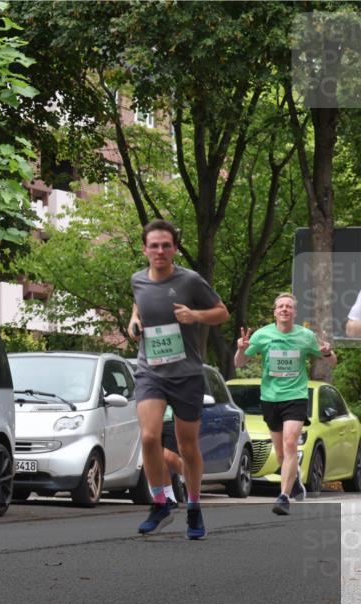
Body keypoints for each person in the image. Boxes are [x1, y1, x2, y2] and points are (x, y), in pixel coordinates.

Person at [128, 219, 229, 539]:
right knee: (148, 437)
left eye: (166, 245)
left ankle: (195, 507)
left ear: (174, 248)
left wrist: (195, 315)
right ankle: (161, 500)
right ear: (145, 249)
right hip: (150, 371)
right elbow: (139, 303)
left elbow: (222, 312)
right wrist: (134, 320)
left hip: (186, 374)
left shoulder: (191, 281)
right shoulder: (137, 280)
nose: (160, 251)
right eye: (154, 245)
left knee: (187, 446)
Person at [234, 293, 336, 515]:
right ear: (275, 312)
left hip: (296, 396)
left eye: (289, 306)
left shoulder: (306, 336)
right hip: (270, 398)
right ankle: (295, 479)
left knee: (291, 444)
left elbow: (331, 361)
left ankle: (283, 497)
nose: (284, 309)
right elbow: (239, 364)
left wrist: (327, 352)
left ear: (294, 312)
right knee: (280, 452)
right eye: (280, 306)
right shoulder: (262, 335)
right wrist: (241, 349)